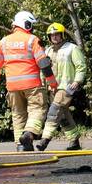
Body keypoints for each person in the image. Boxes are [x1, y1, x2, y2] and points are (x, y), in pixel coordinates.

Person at [0, 10, 57, 152]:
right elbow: (44, 64)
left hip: (12, 87)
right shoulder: (32, 40)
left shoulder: (3, 42)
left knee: (18, 115)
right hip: (32, 86)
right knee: (37, 109)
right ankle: (29, 134)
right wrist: (52, 83)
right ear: (27, 24)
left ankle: (21, 146)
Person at [36, 22, 86, 152]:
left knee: (54, 111)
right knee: (63, 115)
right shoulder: (47, 50)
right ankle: (74, 139)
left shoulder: (72, 48)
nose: (54, 37)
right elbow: (44, 69)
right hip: (52, 88)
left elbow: (81, 66)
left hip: (67, 86)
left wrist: (77, 81)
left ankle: (45, 139)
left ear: (62, 34)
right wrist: (42, 83)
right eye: (52, 35)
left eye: (57, 34)